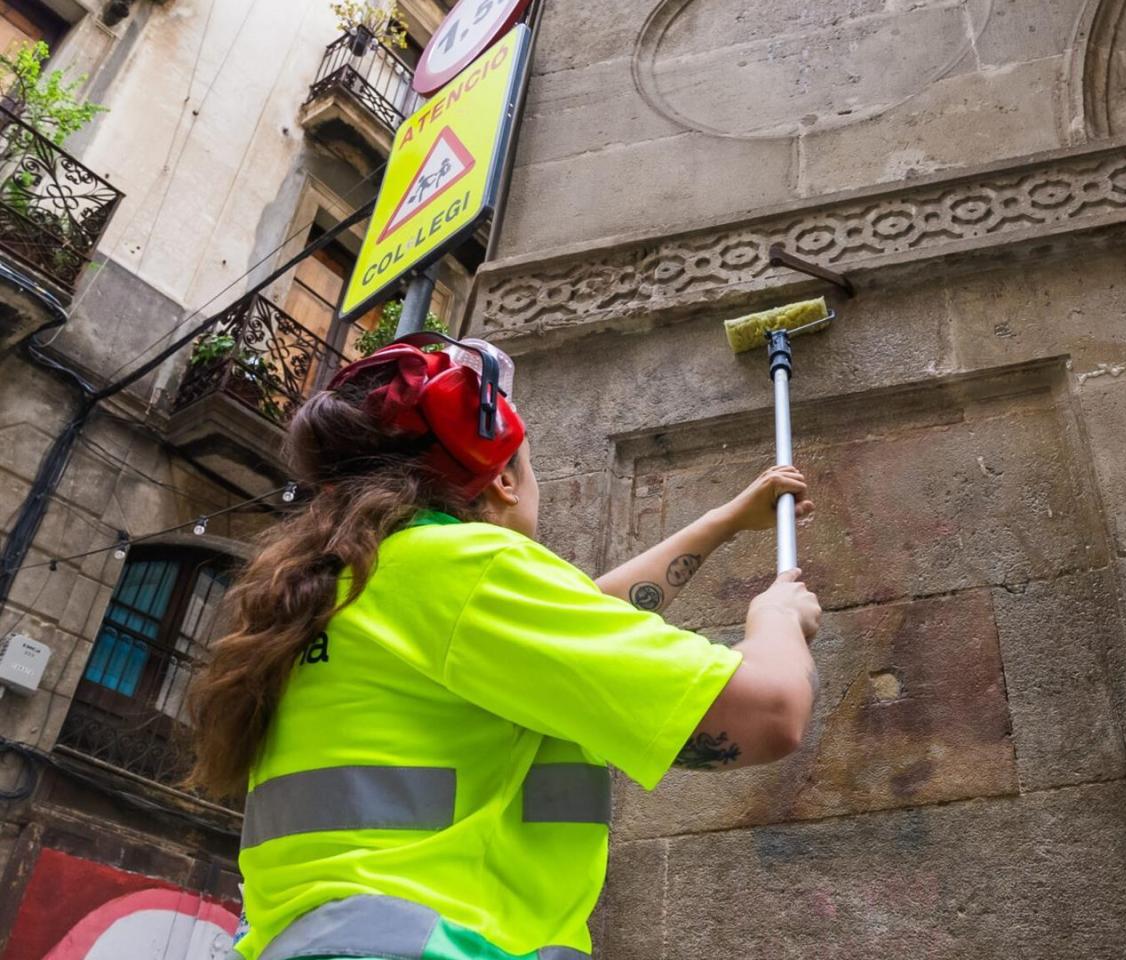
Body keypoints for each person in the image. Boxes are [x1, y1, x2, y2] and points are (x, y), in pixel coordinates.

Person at [187, 335, 821, 960]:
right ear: (506, 484)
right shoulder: (462, 570)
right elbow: (766, 713)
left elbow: (573, 626)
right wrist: (775, 620)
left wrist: (725, 522)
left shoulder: (339, 591)